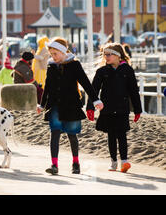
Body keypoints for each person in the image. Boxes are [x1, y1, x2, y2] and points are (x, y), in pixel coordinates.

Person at [37, 37, 103, 175]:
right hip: (55, 105)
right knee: (54, 133)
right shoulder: (51, 67)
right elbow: (47, 87)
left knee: (72, 135)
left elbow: (85, 83)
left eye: (55, 54)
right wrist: (42, 105)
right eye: (51, 54)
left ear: (63, 52)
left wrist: (96, 100)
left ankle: (75, 163)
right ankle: (54, 165)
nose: (53, 57)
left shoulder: (75, 65)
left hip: (72, 105)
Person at [86, 43, 142, 173]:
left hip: (122, 108)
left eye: (109, 54)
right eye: (105, 54)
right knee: (111, 135)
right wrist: (90, 107)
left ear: (118, 55)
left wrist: (138, 109)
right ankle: (113, 162)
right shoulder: (102, 71)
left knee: (122, 134)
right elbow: (94, 90)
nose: (106, 57)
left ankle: (124, 161)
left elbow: (134, 91)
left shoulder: (127, 70)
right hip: (107, 108)